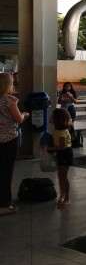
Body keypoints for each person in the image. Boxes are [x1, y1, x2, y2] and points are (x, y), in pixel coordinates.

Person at [0, 72, 29, 215]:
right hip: (8, 139)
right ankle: (4, 204)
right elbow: (18, 119)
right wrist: (25, 114)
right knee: (6, 172)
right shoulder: (9, 100)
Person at [46, 108, 73, 207]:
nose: (50, 118)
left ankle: (67, 198)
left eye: (53, 116)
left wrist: (48, 148)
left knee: (64, 177)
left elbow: (62, 146)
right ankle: (62, 195)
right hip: (62, 153)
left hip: (65, 153)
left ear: (58, 119)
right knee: (60, 176)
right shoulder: (57, 130)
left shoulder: (61, 131)